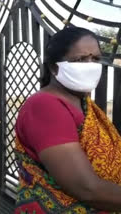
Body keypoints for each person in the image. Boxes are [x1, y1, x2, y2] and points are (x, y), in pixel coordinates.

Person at [13, 27, 121, 213]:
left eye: (95, 58)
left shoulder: (83, 103)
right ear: (54, 67)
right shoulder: (46, 105)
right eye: (80, 59)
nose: (91, 65)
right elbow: (86, 188)